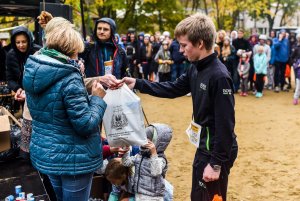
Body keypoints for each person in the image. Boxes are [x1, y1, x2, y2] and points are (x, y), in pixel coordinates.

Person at [121, 13, 238, 201]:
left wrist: (216, 163)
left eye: (184, 45)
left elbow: (226, 125)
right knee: (197, 196)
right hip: (204, 147)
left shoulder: (219, 76)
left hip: (217, 151)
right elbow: (173, 88)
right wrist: (137, 83)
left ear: (200, 43)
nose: (181, 50)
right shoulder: (195, 67)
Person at [23, 17, 108, 201]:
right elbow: (85, 124)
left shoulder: (34, 69)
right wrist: (97, 99)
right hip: (73, 159)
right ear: (69, 51)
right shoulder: (69, 78)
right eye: (76, 52)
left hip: (49, 153)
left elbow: (54, 108)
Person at [122, 123, 173, 201]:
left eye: (147, 138)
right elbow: (126, 163)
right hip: (139, 194)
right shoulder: (140, 156)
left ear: (156, 141)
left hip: (154, 197)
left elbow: (155, 172)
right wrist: (126, 150)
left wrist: (153, 153)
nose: (144, 141)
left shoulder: (161, 159)